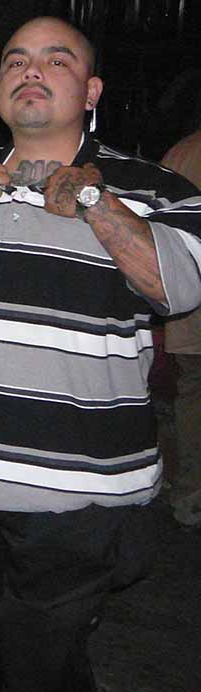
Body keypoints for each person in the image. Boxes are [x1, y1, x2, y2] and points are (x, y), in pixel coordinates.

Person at [0, 16, 201, 691]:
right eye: (15, 59)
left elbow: (180, 287)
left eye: (57, 60)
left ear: (92, 91)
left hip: (79, 498)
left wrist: (93, 201)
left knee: (43, 676)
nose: (31, 70)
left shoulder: (153, 187)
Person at [160, 123, 201, 527]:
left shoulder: (182, 152)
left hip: (189, 314)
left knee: (192, 402)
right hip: (191, 308)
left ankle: (191, 497)